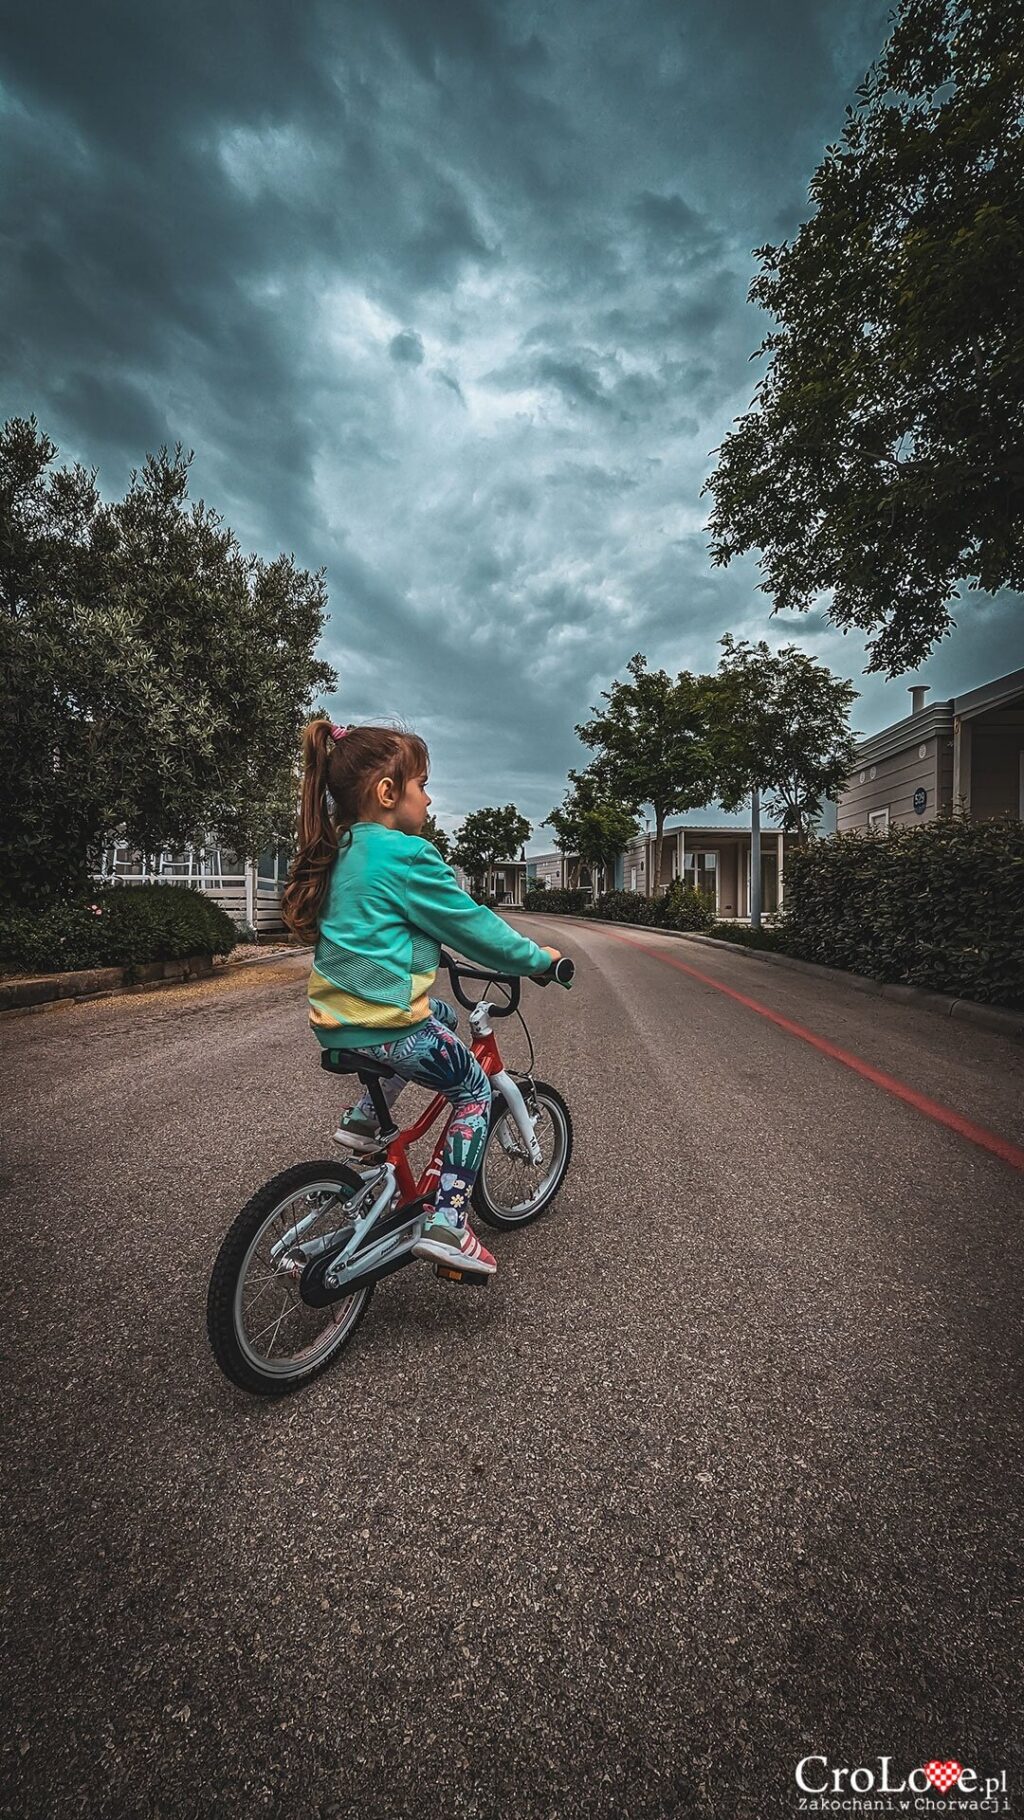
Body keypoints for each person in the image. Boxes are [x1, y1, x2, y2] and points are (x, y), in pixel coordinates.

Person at [281, 719, 560, 1277]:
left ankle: (364, 1119)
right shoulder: (408, 854)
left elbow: (376, 926)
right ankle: (448, 1222)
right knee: (475, 1090)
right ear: (388, 793)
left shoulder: (342, 849)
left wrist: (425, 953)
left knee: (441, 1012)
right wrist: (539, 960)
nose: (429, 798)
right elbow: (474, 926)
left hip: (336, 1022)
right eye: (423, 785)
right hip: (388, 1025)